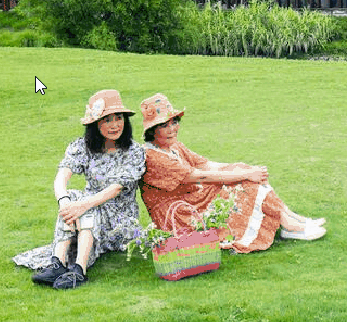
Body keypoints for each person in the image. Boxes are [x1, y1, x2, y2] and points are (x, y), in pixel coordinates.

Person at [138, 93, 325, 253]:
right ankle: (289, 225)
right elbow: (200, 176)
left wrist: (242, 169)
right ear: (152, 130)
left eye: (174, 122)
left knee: (242, 171)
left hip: (193, 197)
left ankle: (290, 218)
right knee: (243, 182)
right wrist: (245, 175)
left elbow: (206, 165)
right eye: (165, 125)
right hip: (179, 212)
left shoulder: (173, 146)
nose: (172, 129)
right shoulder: (154, 157)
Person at [13, 89, 146, 290]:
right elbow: (61, 177)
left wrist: (82, 206)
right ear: (95, 124)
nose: (115, 125)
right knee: (73, 196)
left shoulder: (134, 151)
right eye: (107, 120)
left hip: (119, 221)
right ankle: (58, 263)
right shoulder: (83, 146)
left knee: (85, 203)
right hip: (85, 215)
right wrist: (64, 202)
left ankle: (79, 270)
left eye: (119, 118)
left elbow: (115, 189)